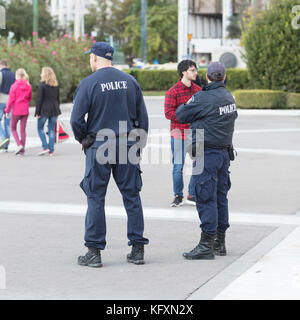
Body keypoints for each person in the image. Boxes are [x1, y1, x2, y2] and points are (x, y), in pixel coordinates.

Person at [70, 42, 149, 268]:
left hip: (100, 145)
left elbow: (76, 120)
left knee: (95, 198)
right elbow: (142, 118)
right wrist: (139, 146)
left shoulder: (89, 83)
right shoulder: (130, 81)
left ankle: (94, 252)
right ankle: (137, 249)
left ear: (95, 58)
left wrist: (84, 139)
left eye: (90, 57)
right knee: (132, 197)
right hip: (127, 144)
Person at [176, 62, 238, 260]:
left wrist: (198, 98)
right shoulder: (229, 97)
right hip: (223, 154)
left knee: (205, 197)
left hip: (207, 154)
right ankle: (220, 241)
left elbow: (181, 114)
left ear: (207, 76)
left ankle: (206, 244)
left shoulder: (202, 97)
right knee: (221, 197)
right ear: (225, 76)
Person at [164, 60, 202, 207]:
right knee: (178, 167)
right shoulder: (172, 91)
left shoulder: (198, 90)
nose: (195, 73)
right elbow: (168, 113)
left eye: (195, 70)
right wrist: (185, 116)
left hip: (195, 133)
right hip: (178, 135)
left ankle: (192, 194)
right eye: (192, 70)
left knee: (198, 164)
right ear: (184, 72)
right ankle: (178, 195)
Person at [5, 68, 32, 156]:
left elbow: (10, 99)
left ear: (17, 75)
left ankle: (19, 144)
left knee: (13, 128)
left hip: (16, 110)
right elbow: (29, 98)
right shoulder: (28, 86)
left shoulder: (14, 86)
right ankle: (22, 150)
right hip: (25, 110)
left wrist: (7, 110)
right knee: (23, 130)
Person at [35, 67, 61, 156]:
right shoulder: (56, 85)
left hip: (44, 110)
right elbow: (58, 99)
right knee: (51, 130)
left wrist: (37, 112)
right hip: (55, 109)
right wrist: (58, 109)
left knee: (40, 128)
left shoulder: (42, 85)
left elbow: (39, 100)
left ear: (44, 74)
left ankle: (45, 147)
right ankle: (51, 150)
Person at [0, 60, 15, 152]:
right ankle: (6, 146)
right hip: (10, 101)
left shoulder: (1, 74)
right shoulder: (13, 75)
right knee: (7, 123)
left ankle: (2, 137)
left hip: (1, 101)